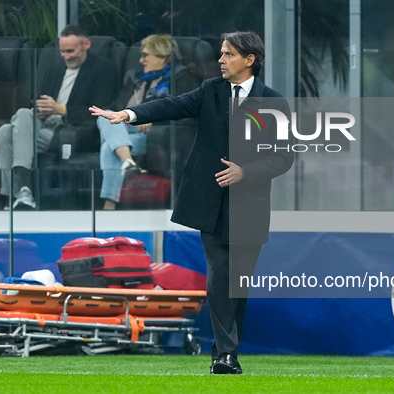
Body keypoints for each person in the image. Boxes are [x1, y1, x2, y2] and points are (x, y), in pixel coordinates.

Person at [90, 31, 294, 374]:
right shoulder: (210, 90)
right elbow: (172, 105)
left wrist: (246, 171)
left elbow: (284, 157)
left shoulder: (273, 102)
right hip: (210, 201)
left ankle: (226, 349)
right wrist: (128, 114)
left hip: (249, 205)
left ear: (249, 60)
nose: (221, 60)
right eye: (221, 53)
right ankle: (225, 356)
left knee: (238, 283)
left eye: (228, 54)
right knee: (219, 276)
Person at [0, 24, 118, 209]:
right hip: (42, 124)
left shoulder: (104, 69)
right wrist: (38, 108)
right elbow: (38, 99)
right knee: (11, 125)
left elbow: (101, 111)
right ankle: (22, 194)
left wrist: (62, 109)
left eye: (70, 51)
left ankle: (16, 194)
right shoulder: (54, 69)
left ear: (86, 44)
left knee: (8, 132)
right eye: (62, 51)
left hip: (70, 131)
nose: (66, 56)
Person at [98, 34, 196, 210]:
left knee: (109, 148)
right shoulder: (136, 79)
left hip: (149, 135)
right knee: (105, 115)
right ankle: (128, 161)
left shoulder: (180, 78)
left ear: (163, 58)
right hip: (123, 132)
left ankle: (110, 203)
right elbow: (117, 106)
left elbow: (183, 110)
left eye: (146, 55)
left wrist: (152, 116)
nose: (141, 60)